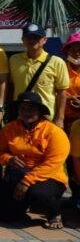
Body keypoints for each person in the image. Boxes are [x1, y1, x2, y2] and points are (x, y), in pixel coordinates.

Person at [0, 91, 69, 230]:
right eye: (22, 109)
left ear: (40, 111)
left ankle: (54, 213)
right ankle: (22, 206)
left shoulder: (54, 132)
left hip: (48, 176)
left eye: (31, 109)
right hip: (19, 174)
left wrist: (26, 181)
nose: (26, 112)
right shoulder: (9, 129)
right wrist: (8, 159)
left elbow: (53, 163)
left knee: (38, 193)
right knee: (4, 216)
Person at [8, 23, 69, 125]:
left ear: (44, 40)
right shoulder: (14, 60)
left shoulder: (57, 62)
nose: (32, 40)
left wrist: (60, 118)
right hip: (21, 115)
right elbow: (11, 87)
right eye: (29, 37)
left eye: (36, 37)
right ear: (23, 40)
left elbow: (62, 93)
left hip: (46, 116)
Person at [61, 32, 80, 201]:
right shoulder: (61, 67)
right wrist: (69, 98)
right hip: (65, 121)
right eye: (73, 49)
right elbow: (56, 90)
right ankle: (75, 195)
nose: (77, 53)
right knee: (69, 159)